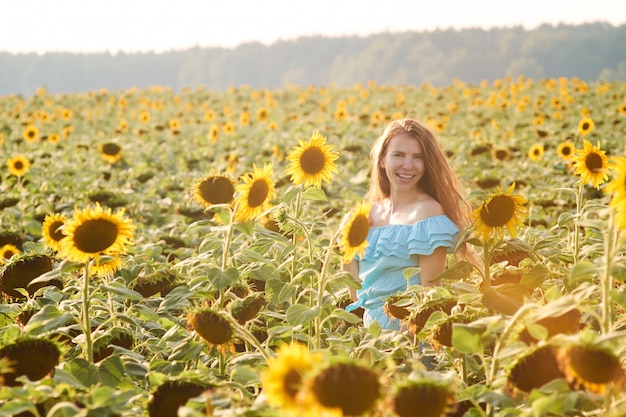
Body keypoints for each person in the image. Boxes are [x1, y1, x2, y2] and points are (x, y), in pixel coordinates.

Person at [342, 118, 472, 331]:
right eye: (399, 155)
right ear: (382, 160)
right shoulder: (369, 213)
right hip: (370, 338)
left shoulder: (427, 213)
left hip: (409, 340)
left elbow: (428, 298)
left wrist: (398, 351)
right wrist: (347, 236)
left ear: (426, 164)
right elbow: (356, 293)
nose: (408, 166)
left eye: (417, 157)